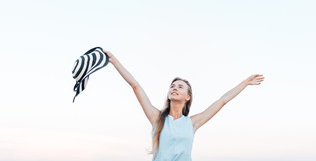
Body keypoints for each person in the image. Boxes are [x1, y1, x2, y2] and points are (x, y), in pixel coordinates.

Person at [103, 50, 265, 161]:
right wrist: (113, 60)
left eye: (180, 87)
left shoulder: (192, 123)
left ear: (187, 97)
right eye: (172, 86)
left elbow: (222, 100)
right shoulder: (157, 118)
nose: (174, 88)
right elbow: (135, 86)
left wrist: (245, 82)